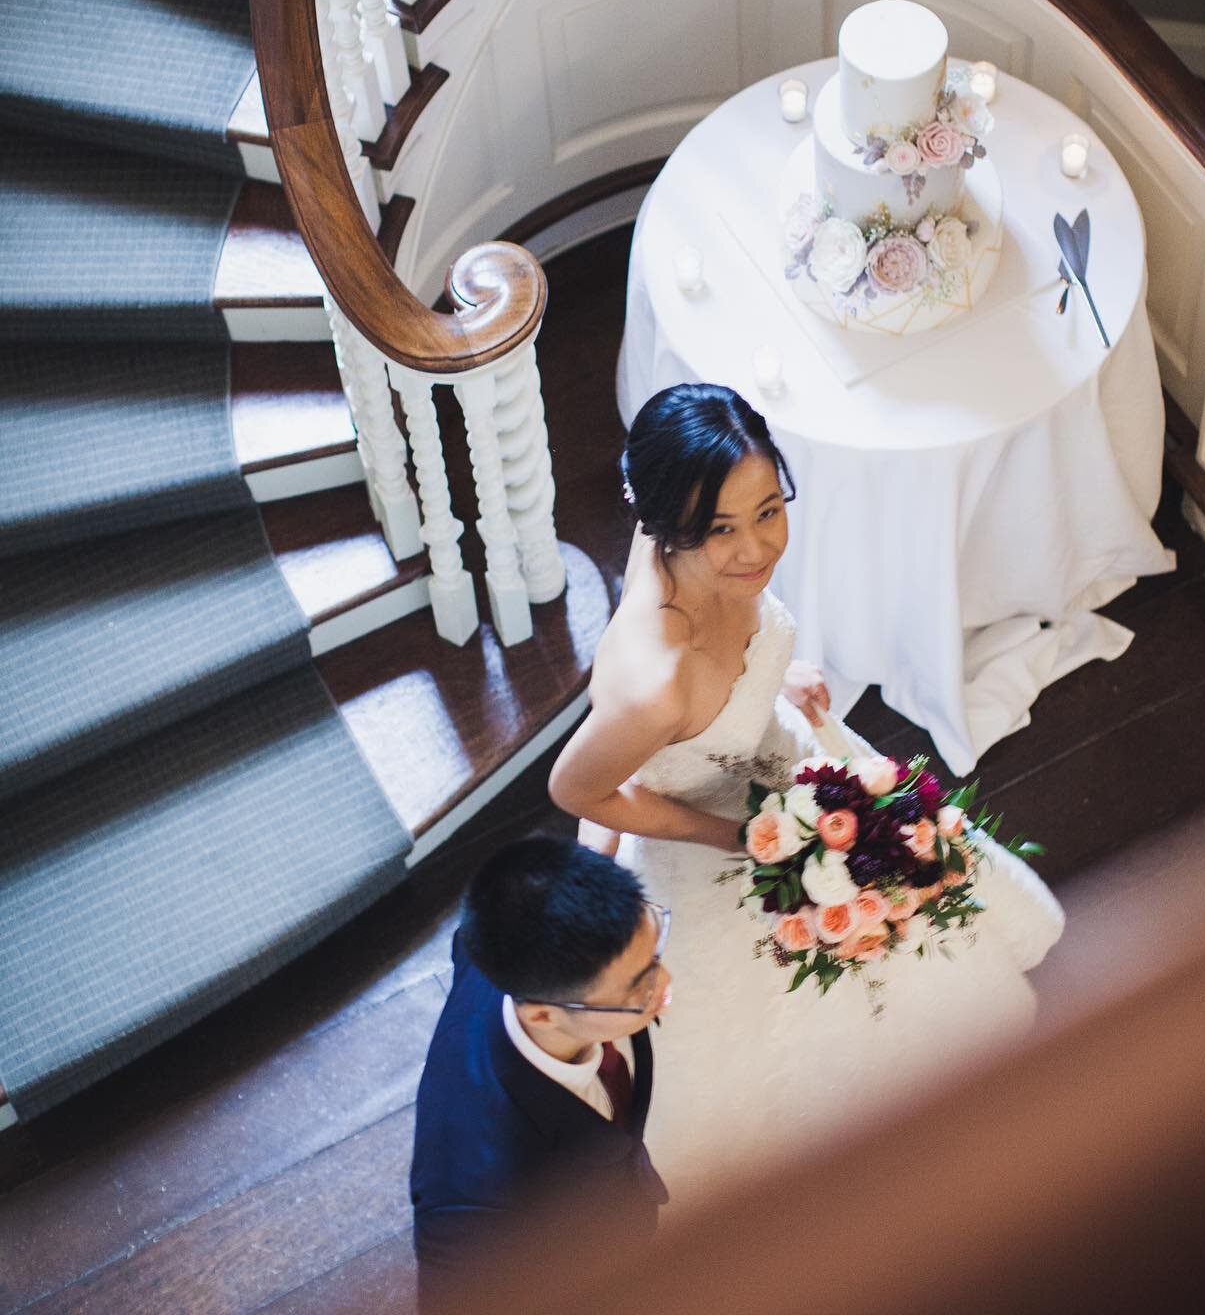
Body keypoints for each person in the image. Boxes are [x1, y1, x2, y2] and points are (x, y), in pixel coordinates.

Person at [549, 383, 1064, 1199]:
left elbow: (730, 654)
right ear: (670, 525)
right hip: (709, 832)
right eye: (721, 530)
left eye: (768, 509)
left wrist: (773, 678)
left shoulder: (671, 545)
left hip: (779, 758)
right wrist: (725, 836)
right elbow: (578, 789)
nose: (757, 549)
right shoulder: (652, 679)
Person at [410, 837, 669, 1305]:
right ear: (543, 1015)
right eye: (641, 985)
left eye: (656, 951)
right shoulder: (482, 1197)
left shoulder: (494, 945)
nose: (665, 982)